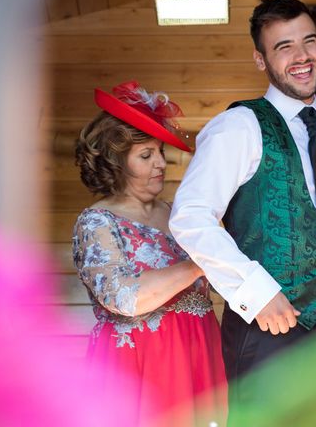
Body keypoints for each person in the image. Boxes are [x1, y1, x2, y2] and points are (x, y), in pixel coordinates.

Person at [169, 0, 316, 414]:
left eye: (309, 41)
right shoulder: (239, 127)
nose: (301, 56)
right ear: (261, 60)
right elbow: (190, 217)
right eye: (284, 47)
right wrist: (254, 292)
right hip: (266, 334)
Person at [72, 81, 227, 426]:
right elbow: (123, 296)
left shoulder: (180, 215)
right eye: (146, 155)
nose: (161, 163)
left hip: (198, 350)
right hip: (139, 365)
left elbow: (222, 282)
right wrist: (199, 263)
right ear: (115, 163)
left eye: (160, 152)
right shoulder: (97, 222)